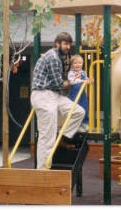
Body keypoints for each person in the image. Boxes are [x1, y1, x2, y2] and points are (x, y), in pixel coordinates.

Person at [31, 32, 85, 170]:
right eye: (65, 44)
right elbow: (58, 84)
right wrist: (74, 81)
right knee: (46, 139)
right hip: (44, 96)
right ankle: (42, 172)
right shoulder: (53, 57)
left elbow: (58, 86)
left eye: (69, 44)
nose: (68, 47)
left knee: (78, 111)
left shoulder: (57, 57)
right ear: (57, 43)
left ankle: (61, 137)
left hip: (53, 95)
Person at [67, 54, 94, 132]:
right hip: (74, 93)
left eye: (79, 63)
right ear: (72, 65)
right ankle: (77, 125)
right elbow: (71, 81)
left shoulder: (83, 72)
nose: (78, 64)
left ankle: (84, 123)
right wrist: (82, 81)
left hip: (82, 93)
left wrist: (90, 80)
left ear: (82, 64)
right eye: (75, 63)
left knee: (84, 107)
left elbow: (87, 80)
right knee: (76, 108)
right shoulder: (71, 73)